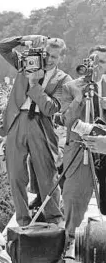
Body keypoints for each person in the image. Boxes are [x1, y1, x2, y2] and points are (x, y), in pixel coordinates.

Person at [0, 35, 71, 226]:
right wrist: (24, 39)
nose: (49, 59)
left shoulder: (64, 79)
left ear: (61, 58)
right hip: (16, 121)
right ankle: (23, 219)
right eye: (47, 54)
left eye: (54, 57)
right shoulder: (26, 63)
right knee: (15, 174)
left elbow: (51, 108)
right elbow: (3, 47)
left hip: (41, 124)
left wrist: (34, 85)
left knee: (47, 174)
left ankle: (54, 218)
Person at [60, 45, 106, 259]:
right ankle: (70, 240)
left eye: (103, 62)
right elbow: (65, 120)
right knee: (74, 197)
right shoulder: (70, 87)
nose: (97, 66)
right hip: (79, 150)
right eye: (94, 61)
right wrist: (79, 99)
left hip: (103, 149)